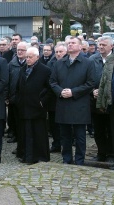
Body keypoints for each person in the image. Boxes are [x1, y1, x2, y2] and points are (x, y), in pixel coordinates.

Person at [50, 37, 95, 165]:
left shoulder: (88, 63)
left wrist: (73, 92)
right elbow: (52, 82)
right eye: (68, 43)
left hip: (79, 104)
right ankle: (67, 159)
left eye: (73, 43)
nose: (70, 45)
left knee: (80, 136)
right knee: (65, 135)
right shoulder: (59, 63)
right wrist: (60, 91)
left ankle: (80, 160)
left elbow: (90, 83)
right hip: (63, 103)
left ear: (80, 47)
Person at [15, 47, 52, 164]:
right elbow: (18, 86)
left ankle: (37, 156)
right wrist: (18, 100)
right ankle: (26, 154)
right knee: (25, 133)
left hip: (37, 107)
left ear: (37, 57)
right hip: (24, 106)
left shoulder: (45, 70)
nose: (28, 59)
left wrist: (42, 101)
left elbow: (50, 88)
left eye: (30, 57)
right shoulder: (23, 69)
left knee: (37, 133)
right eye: (26, 57)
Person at [94, 36, 114, 162]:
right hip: (96, 100)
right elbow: (88, 78)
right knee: (98, 129)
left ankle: (112, 154)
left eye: (104, 45)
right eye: (99, 44)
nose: (101, 47)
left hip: (111, 101)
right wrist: (92, 90)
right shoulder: (92, 60)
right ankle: (101, 153)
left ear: (111, 46)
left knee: (111, 129)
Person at [7, 42, 28, 156]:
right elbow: (7, 80)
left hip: (26, 100)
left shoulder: (30, 64)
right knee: (15, 123)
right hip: (14, 98)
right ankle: (19, 145)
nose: (19, 52)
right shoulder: (12, 64)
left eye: (22, 50)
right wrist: (7, 96)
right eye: (18, 50)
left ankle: (25, 146)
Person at [46, 43, 68, 153]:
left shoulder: (69, 62)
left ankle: (66, 144)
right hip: (53, 98)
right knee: (53, 124)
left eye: (61, 52)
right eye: (57, 52)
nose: (58, 54)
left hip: (67, 97)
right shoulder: (51, 63)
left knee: (65, 124)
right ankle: (56, 143)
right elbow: (49, 80)